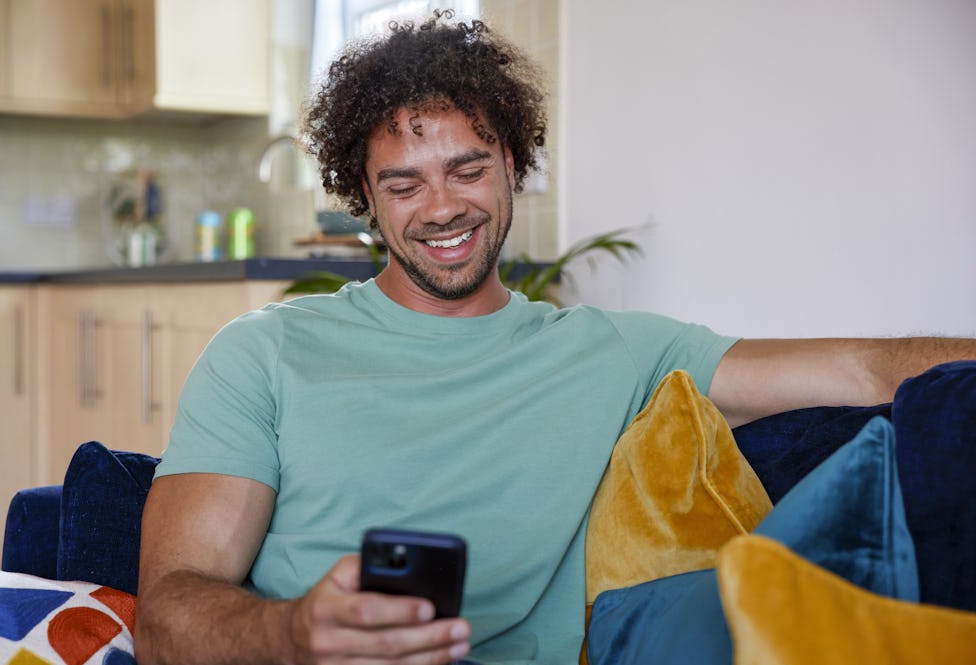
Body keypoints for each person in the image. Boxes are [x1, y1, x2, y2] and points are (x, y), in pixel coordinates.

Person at [135, 10, 975, 665]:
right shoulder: (263, 353)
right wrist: (294, 636)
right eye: (404, 183)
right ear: (364, 191)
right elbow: (170, 609)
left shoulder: (618, 351)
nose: (442, 208)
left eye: (468, 169)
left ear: (513, 162)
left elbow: (867, 367)